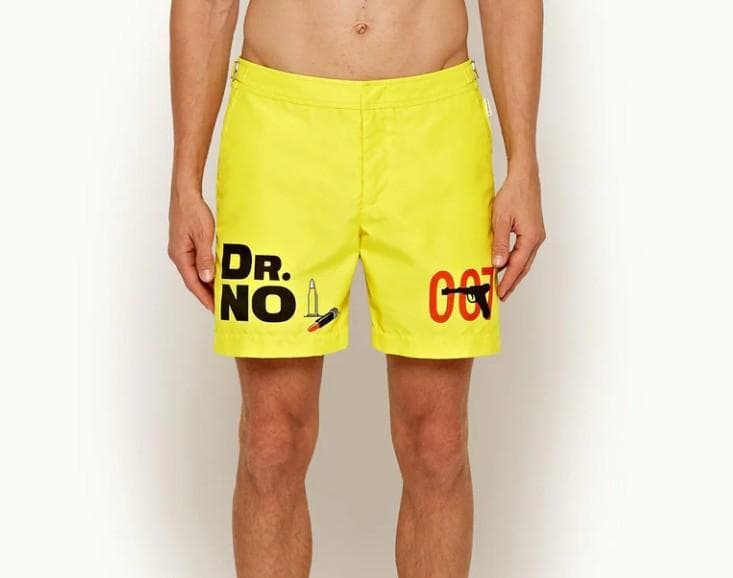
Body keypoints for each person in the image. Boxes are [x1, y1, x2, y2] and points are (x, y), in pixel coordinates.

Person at [168, 0, 545, 576]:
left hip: (434, 131)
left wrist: (524, 166)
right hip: (279, 131)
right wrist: (184, 179)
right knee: (271, 441)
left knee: (438, 443)